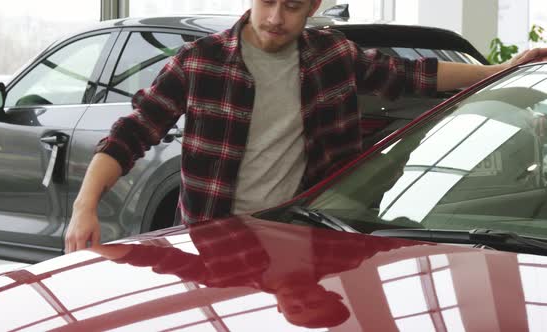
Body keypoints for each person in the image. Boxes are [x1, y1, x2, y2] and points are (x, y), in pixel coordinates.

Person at [65, 0, 547, 253]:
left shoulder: (332, 57)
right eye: (267, 1)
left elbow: (414, 76)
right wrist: (84, 208)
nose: (275, 18)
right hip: (218, 245)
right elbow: (130, 134)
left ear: (313, 4)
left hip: (311, 242)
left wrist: (503, 71)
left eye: (292, 5)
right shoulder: (200, 62)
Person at [89, 216, 412, 328]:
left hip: (213, 190)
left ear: (279, 307)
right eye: (313, 303)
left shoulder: (223, 277)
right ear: (328, 292)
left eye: (294, 310)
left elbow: (160, 260)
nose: (299, 300)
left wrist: (98, 247)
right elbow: (396, 241)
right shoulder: (344, 257)